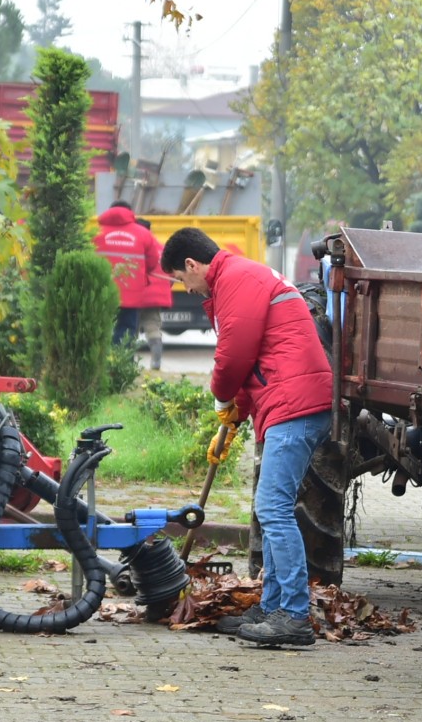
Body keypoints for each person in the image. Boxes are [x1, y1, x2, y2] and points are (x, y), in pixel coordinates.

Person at [160, 227, 332, 646]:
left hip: (295, 403)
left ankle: (294, 616)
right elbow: (252, 357)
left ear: (191, 264)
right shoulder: (237, 278)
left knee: (273, 508)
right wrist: (235, 416)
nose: (186, 289)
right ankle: (272, 607)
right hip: (288, 401)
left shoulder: (236, 280)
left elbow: (233, 355)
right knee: (271, 508)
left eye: (181, 279)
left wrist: (221, 398)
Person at [93, 200, 162, 346]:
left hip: (103, 292)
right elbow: (152, 261)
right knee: (126, 331)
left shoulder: (96, 233)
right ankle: (123, 359)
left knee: (102, 329)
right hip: (131, 293)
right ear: (130, 213)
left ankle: (105, 358)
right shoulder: (143, 233)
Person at [136, 216, 173, 370]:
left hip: (135, 295)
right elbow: (171, 274)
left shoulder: (135, 245)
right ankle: (156, 363)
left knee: (130, 328)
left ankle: (125, 362)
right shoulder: (161, 248)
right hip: (156, 297)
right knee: (153, 327)